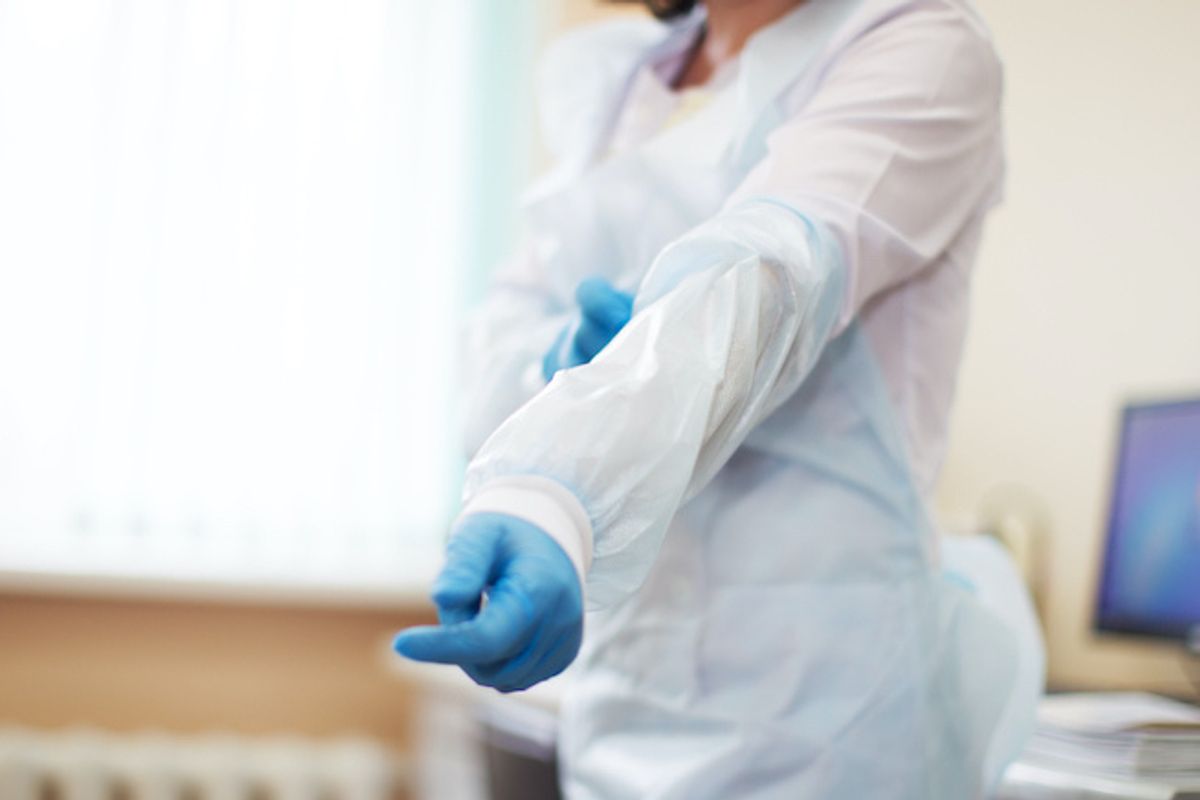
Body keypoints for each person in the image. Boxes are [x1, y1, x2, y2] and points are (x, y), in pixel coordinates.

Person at [394, 0, 1044, 796]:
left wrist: (551, 494)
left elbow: (767, 276)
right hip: (625, 691)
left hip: (825, 721)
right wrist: (552, 365)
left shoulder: (911, 42)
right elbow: (502, 329)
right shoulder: (619, 84)